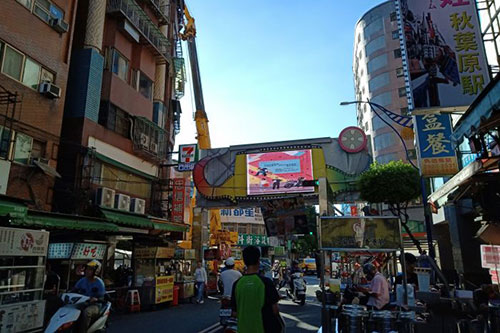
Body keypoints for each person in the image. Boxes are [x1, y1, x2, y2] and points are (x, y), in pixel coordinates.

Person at [231, 246, 283, 333]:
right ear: (259, 260)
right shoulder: (266, 282)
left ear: (244, 261)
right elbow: (275, 310)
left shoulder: (237, 284)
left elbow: (234, 313)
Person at [73, 260, 106, 333]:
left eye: (90, 269)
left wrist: (96, 299)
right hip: (83, 302)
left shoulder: (99, 283)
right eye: (87, 269)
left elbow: (102, 297)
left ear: (96, 271)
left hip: (95, 306)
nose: (87, 271)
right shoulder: (82, 280)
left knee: (87, 312)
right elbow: (74, 290)